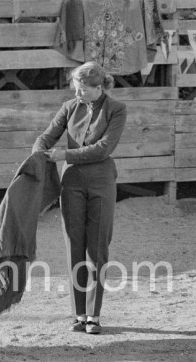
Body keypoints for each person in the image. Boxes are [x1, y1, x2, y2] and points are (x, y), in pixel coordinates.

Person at [32, 61, 126, 335]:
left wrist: (65, 155)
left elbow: (103, 148)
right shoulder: (69, 107)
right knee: (75, 245)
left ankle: (94, 316)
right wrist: (37, 154)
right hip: (71, 183)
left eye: (82, 89)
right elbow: (46, 137)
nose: (77, 94)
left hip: (101, 182)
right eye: (75, 88)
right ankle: (79, 314)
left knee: (97, 248)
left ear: (99, 88)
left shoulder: (117, 109)